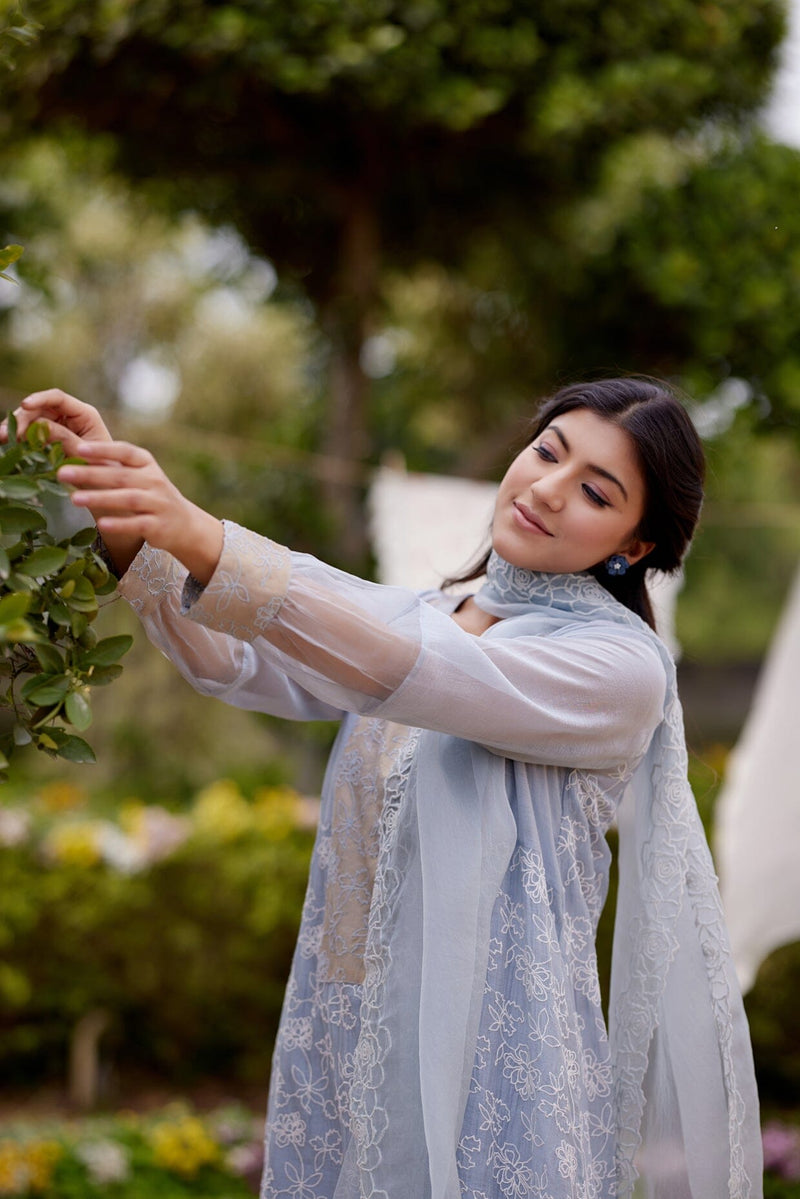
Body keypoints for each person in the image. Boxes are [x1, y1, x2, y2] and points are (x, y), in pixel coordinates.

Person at [6, 379, 762, 1199]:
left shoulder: (616, 667)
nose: (547, 487)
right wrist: (127, 514)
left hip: (495, 1060)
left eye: (594, 490)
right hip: (353, 1030)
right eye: (548, 450)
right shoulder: (433, 611)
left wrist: (202, 533)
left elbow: (417, 670)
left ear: (638, 545)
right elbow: (242, 660)